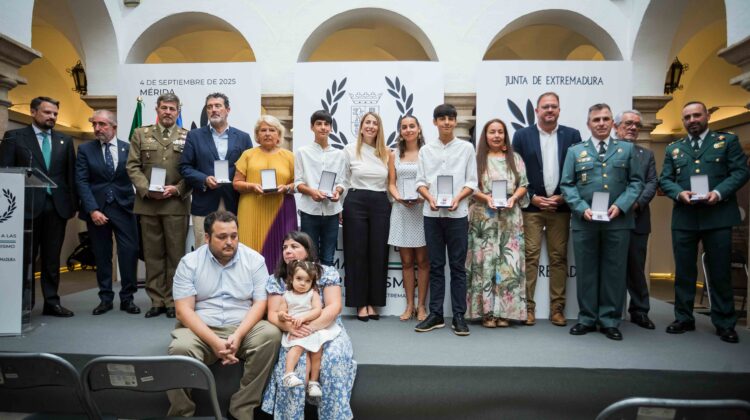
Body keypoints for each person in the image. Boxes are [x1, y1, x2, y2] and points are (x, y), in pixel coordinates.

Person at [167, 210, 281, 419]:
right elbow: (183, 311)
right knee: (180, 349)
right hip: (201, 329)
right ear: (207, 237)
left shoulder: (254, 260)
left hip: (242, 327)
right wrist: (214, 342)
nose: (229, 242)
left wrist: (238, 335)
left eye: (234, 236)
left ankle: (242, 408)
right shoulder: (189, 262)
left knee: (270, 335)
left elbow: (260, 304)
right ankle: (181, 413)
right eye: (222, 237)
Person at [659, 101, 750, 344]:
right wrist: (679, 193)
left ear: (707, 116)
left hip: (717, 216)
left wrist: (718, 193)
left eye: (696, 115)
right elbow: (665, 179)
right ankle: (683, 318)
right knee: (684, 272)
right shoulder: (674, 148)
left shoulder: (726, 141)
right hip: (685, 217)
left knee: (720, 271)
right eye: (687, 117)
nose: (692, 120)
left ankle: (724, 323)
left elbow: (741, 172)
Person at [560, 103, 642, 341]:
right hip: (585, 222)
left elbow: (636, 182)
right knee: (586, 272)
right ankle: (586, 318)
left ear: (612, 123)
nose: (601, 123)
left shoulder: (627, 149)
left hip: (618, 221)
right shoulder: (575, 151)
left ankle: (609, 320)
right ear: (588, 124)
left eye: (606, 119)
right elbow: (567, 184)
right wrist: (581, 208)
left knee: (614, 272)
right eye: (596, 120)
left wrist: (622, 205)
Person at [262, 231, 356, 420]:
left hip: (327, 328)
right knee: (295, 368)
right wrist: (290, 328)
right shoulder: (276, 279)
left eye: (294, 246)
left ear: (307, 250)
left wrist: (311, 327)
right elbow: (273, 313)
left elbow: (334, 307)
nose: (288, 251)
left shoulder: (326, 272)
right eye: (285, 247)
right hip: (293, 331)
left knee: (333, 359)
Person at [0, 96, 77, 317]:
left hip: (57, 208)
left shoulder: (65, 140)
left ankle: (52, 302)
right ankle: (23, 304)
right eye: (47, 112)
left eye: (55, 114)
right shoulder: (15, 137)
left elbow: (70, 176)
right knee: (26, 258)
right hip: (26, 208)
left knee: (52, 259)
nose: (52, 117)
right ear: (33, 112)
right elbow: (5, 172)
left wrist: (73, 205)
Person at [511, 92, 582, 327]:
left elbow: (578, 170)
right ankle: (527, 309)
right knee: (530, 257)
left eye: (553, 106)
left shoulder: (572, 135)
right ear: (537, 111)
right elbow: (515, 171)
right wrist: (532, 197)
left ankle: (557, 309)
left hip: (560, 208)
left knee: (559, 258)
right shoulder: (522, 136)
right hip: (532, 207)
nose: (549, 110)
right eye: (545, 106)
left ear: (559, 109)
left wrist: (564, 197)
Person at [414, 104, 477, 336]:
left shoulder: (467, 148)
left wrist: (458, 198)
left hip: (457, 215)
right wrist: (429, 198)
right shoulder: (425, 150)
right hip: (432, 214)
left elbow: (472, 182)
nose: (447, 122)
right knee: (436, 266)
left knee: (458, 267)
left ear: (455, 121)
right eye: (442, 118)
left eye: (451, 118)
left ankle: (459, 315)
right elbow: (420, 182)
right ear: (435, 122)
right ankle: (436, 314)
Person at [126, 92, 190, 319]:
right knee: (153, 255)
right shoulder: (140, 134)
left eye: (172, 109)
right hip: (148, 205)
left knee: (175, 255)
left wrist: (178, 189)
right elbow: (132, 166)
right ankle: (156, 300)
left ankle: (173, 300)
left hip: (175, 204)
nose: (168, 112)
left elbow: (191, 169)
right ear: (157, 109)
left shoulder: (188, 136)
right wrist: (146, 189)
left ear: (178, 111)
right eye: (164, 108)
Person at [75, 110, 140, 315]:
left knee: (129, 253)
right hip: (97, 210)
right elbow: (82, 181)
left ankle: (128, 299)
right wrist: (92, 209)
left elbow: (137, 176)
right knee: (102, 256)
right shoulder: (85, 149)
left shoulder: (128, 148)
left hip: (125, 209)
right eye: (94, 124)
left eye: (102, 124)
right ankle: (105, 298)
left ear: (114, 127)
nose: (97, 128)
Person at [466, 118, 529, 328]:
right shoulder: (477, 160)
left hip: (510, 217)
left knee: (508, 264)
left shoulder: (515, 158)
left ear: (505, 135)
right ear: (485, 136)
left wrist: (514, 198)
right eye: (492, 132)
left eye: (500, 132)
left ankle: (505, 313)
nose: (496, 135)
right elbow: (470, 187)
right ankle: (487, 313)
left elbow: (524, 184)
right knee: (484, 263)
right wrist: (486, 198)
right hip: (483, 218)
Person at [179, 92, 253, 249]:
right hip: (204, 202)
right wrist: (204, 179)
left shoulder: (243, 137)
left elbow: (249, 170)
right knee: (203, 248)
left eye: (218, 106)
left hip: (234, 202)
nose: (213, 110)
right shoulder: (194, 136)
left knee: (232, 248)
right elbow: (185, 167)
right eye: (209, 107)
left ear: (228, 110)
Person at [341, 112, 391, 321]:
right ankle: (360, 303)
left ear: (379, 128)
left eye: (375, 123)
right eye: (367, 122)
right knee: (356, 253)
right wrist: (340, 207)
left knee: (378, 253)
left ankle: (373, 302)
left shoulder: (386, 153)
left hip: (380, 202)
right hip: (355, 201)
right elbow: (344, 179)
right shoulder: (349, 150)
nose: (371, 126)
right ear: (361, 127)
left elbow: (390, 183)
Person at [233, 115, 297, 271]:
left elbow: (298, 184)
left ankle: (280, 282)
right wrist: (252, 186)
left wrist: (286, 188)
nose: (267, 133)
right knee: (249, 249)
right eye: (263, 130)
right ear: (257, 134)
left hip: (280, 210)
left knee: (281, 247)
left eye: (272, 130)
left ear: (279, 135)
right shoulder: (248, 155)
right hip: (251, 209)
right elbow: (236, 183)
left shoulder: (289, 156)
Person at [614, 109, 657, 330]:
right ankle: (611, 311)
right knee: (612, 267)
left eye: (636, 125)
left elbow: (651, 183)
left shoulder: (646, 155)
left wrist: (635, 203)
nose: (632, 128)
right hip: (610, 219)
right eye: (628, 123)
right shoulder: (607, 151)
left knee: (636, 268)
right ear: (616, 127)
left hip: (637, 218)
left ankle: (640, 311)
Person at [278, 260, 341, 399]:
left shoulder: (313, 294)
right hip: (296, 330)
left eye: (307, 281)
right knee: (297, 348)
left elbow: (317, 310)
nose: (303, 283)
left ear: (312, 282)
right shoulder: (286, 295)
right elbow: (281, 312)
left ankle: (313, 382)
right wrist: (283, 315)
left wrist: (304, 318)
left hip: (311, 327)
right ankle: (288, 374)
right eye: (299, 279)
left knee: (317, 351)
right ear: (291, 279)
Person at [387, 114, 429, 322]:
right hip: (402, 210)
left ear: (419, 129)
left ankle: (421, 306)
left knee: (423, 261)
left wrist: (424, 197)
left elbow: (432, 181)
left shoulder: (427, 152)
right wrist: (398, 198)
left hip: (422, 209)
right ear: (400, 132)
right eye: (404, 127)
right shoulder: (394, 154)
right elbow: (391, 183)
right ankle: (409, 305)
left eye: (412, 126)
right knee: (406, 262)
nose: (409, 130)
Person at [294, 110, 345, 267]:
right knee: (310, 258)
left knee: (328, 258)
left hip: (332, 212)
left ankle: (327, 284)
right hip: (309, 212)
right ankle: (312, 285)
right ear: (312, 127)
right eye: (319, 124)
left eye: (326, 124)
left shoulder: (339, 154)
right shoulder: (302, 152)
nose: (323, 127)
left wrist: (338, 192)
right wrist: (312, 192)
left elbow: (342, 182)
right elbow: (297, 183)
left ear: (331, 128)